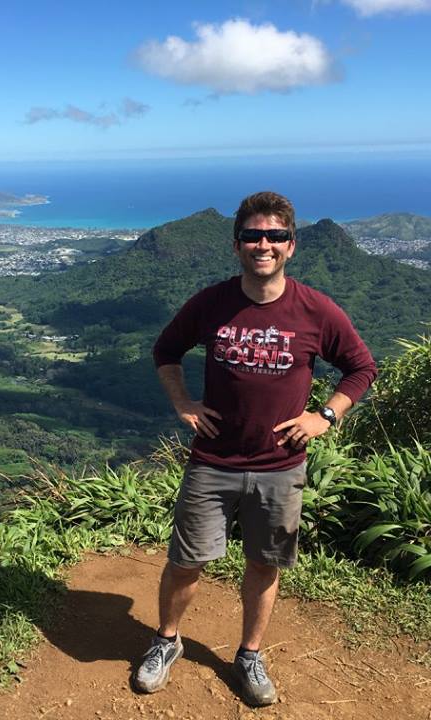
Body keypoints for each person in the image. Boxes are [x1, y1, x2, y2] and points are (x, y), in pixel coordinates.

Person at [132, 191, 377, 706]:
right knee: (186, 560)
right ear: (236, 244)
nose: (263, 244)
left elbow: (361, 368)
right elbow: (166, 349)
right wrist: (183, 401)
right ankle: (167, 641)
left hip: (280, 467)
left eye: (275, 236)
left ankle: (249, 654)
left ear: (292, 245)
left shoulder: (316, 309)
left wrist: (324, 415)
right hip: (212, 461)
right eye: (252, 236)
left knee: (264, 563)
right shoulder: (212, 303)